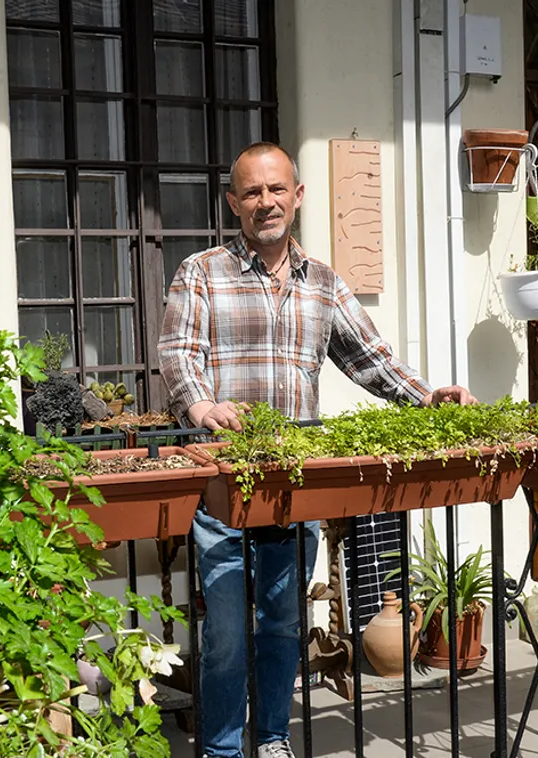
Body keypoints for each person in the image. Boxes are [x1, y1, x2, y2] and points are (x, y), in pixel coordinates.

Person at [158, 142, 475, 758]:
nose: (265, 202)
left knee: (281, 624)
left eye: (276, 190)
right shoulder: (201, 273)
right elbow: (177, 353)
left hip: (292, 490)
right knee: (224, 632)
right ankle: (223, 749)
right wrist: (200, 406)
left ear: (297, 197)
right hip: (224, 488)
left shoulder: (323, 285)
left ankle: (272, 738)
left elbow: (370, 359)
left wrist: (428, 397)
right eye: (251, 192)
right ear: (233, 203)